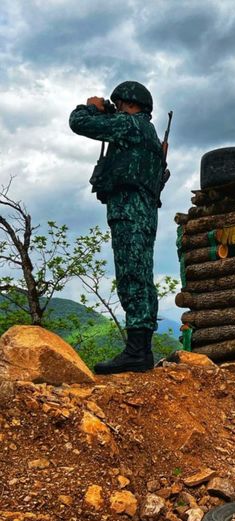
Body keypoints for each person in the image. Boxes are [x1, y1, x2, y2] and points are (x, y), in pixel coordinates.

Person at [69, 81, 165, 374]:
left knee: (131, 275)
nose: (118, 108)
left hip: (128, 209)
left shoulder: (130, 125)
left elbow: (78, 123)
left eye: (120, 103)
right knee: (141, 275)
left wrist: (91, 107)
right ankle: (141, 350)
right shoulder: (147, 132)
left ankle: (136, 352)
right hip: (143, 211)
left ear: (130, 103)